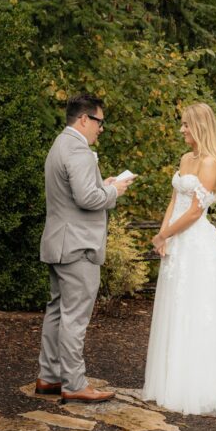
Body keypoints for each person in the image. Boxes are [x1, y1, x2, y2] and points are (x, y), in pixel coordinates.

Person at [142, 103, 216, 416]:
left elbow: (195, 211)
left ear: (200, 127)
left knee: (198, 310)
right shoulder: (185, 159)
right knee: (175, 308)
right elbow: (175, 199)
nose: (181, 130)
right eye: (181, 125)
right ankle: (172, 383)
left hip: (195, 243)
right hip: (176, 241)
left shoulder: (210, 162)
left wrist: (167, 234)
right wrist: (163, 234)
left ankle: (201, 387)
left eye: (185, 125)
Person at [36, 93, 133, 403]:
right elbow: (87, 199)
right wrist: (113, 190)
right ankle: (75, 384)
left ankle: (49, 378)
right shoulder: (77, 150)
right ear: (83, 119)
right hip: (78, 246)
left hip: (59, 242)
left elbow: (77, 192)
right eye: (99, 122)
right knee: (75, 317)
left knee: (56, 313)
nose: (100, 129)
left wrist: (100, 185)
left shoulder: (59, 144)